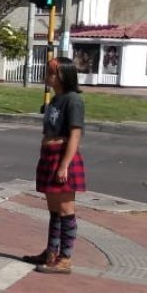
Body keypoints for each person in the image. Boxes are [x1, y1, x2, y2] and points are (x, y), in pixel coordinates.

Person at [23, 57, 86, 275]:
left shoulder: (72, 100)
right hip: (49, 156)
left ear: (62, 76)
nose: (47, 75)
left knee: (66, 210)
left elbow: (75, 135)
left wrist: (64, 165)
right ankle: (51, 252)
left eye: (51, 72)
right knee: (54, 210)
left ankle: (65, 258)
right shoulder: (55, 100)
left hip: (62, 157)